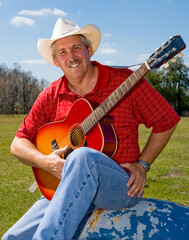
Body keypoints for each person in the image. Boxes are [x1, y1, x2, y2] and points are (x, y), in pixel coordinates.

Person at [2, 18, 180, 240]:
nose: (72, 57)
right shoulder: (51, 94)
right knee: (12, 237)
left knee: (84, 157)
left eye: (76, 48)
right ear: (56, 61)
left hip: (119, 187)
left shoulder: (125, 81)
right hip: (65, 189)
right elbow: (18, 143)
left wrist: (143, 164)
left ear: (89, 50)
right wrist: (47, 162)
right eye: (63, 52)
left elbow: (167, 120)